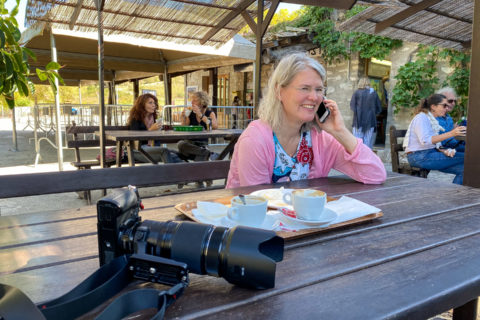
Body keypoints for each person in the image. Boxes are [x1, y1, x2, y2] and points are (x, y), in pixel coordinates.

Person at [226, 52, 386, 188]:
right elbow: (259, 206)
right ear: (279, 91)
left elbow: (376, 175)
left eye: (319, 89)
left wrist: (340, 132)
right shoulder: (255, 140)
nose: (315, 97)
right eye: (305, 88)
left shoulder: (321, 138)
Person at [403, 93, 466, 185]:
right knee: (468, 157)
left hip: (429, 154)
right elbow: (425, 141)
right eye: (444, 105)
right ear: (433, 106)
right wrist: (452, 133)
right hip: (419, 157)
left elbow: (435, 144)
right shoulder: (421, 118)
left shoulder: (432, 120)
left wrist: (444, 151)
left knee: (465, 169)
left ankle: (455, 196)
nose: (446, 108)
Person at [127, 93, 182, 164]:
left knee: (178, 154)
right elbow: (135, 139)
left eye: (154, 103)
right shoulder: (135, 119)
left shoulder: (153, 118)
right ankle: (178, 173)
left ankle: (185, 172)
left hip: (152, 148)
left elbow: (157, 139)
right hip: (138, 150)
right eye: (150, 103)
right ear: (142, 105)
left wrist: (161, 131)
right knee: (165, 151)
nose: (154, 105)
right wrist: (150, 130)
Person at [178, 91, 218, 161]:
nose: (192, 103)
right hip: (189, 143)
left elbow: (214, 126)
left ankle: (203, 155)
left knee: (197, 156)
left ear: (202, 103)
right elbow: (184, 127)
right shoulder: (191, 113)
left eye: (195, 101)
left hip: (202, 144)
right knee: (181, 144)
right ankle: (207, 153)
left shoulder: (210, 113)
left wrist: (201, 115)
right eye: (192, 100)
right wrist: (183, 118)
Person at [350, 77, 382, 149]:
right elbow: (379, 108)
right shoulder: (373, 93)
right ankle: (366, 159)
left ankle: (358, 160)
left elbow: (352, 107)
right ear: (368, 83)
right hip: (370, 122)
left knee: (357, 145)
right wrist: (372, 113)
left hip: (358, 122)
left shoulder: (356, 93)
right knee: (367, 145)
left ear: (360, 83)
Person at [436, 87, 465, 152]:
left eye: (455, 101)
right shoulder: (434, 118)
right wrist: (453, 132)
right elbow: (441, 143)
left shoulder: (448, 118)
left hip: (454, 145)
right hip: (443, 150)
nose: (453, 103)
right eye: (450, 101)